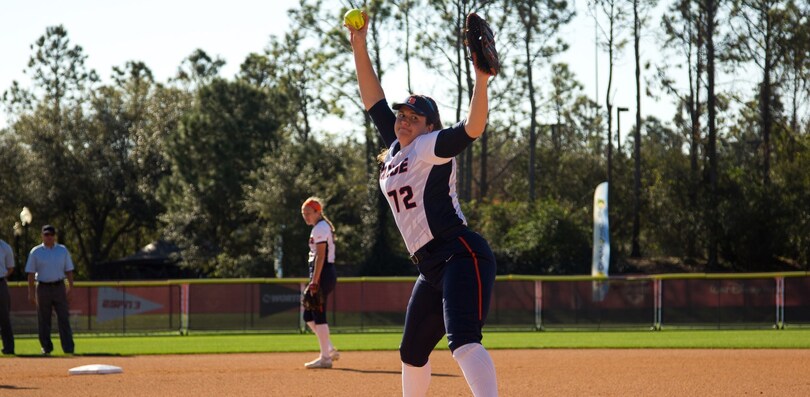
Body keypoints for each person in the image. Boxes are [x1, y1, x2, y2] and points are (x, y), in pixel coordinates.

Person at [346, 12, 498, 397]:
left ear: (430, 126)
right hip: (430, 266)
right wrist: (358, 45)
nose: (404, 120)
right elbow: (373, 99)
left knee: (463, 340)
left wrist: (481, 81)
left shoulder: (429, 148)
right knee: (412, 352)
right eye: (402, 115)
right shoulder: (398, 147)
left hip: (460, 254)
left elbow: (473, 128)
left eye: (414, 117)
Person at [300, 197, 340, 369]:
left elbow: (321, 256)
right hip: (320, 274)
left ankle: (325, 358)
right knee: (308, 316)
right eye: (303, 214)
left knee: (318, 315)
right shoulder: (319, 228)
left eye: (308, 213)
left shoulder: (320, 228)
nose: (305, 216)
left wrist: (315, 282)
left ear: (317, 211)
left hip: (323, 274)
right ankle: (329, 349)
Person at [25, 225, 75, 355]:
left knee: (64, 318)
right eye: (46, 235)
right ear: (42, 236)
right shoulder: (36, 252)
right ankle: (46, 347)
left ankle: (68, 348)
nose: (49, 237)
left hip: (59, 286)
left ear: (54, 236)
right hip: (43, 287)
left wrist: (70, 287)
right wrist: (31, 292)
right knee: (44, 319)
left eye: (51, 235)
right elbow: (30, 273)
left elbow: (69, 270)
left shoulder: (62, 250)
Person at [0, 237, 15, 355]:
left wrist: (3, 274)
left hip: (0, 283)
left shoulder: (5, 247)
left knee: (4, 317)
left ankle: (9, 348)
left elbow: (10, 268)